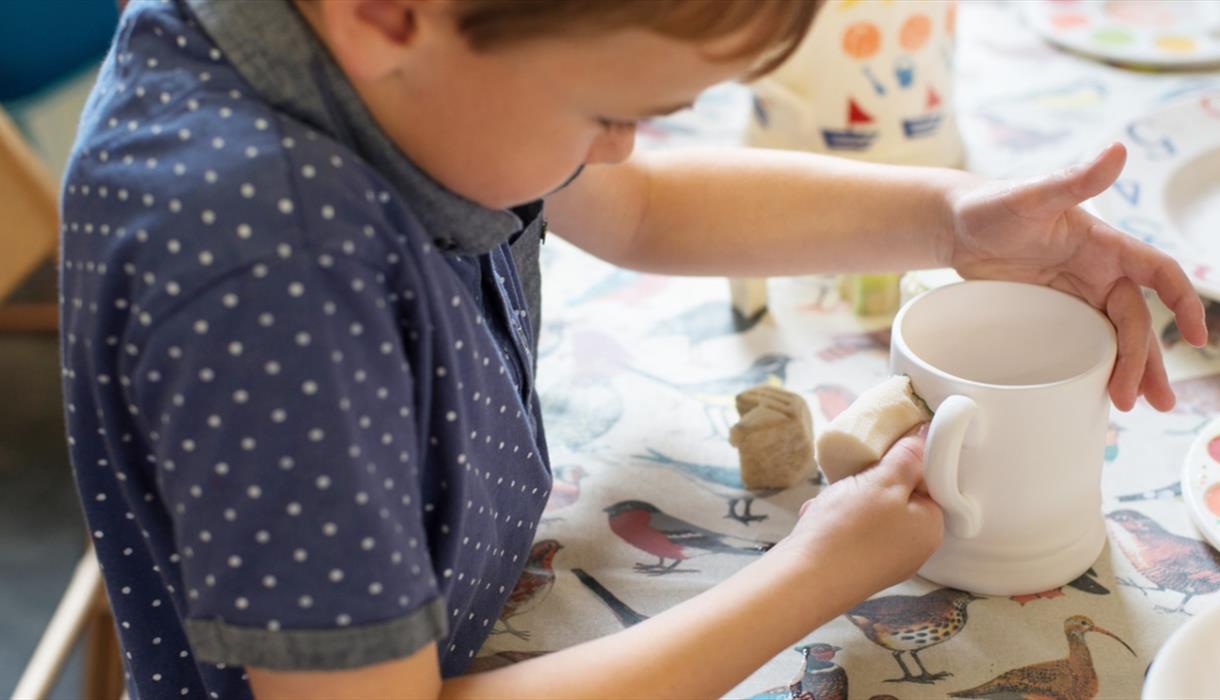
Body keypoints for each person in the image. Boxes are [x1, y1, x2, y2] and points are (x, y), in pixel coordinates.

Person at [58, 1, 1205, 698]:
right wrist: (807, 577)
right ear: (388, 13)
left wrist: (951, 217)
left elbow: (636, 202)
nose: (625, 143)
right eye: (616, 106)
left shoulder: (402, 63)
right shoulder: (266, 284)